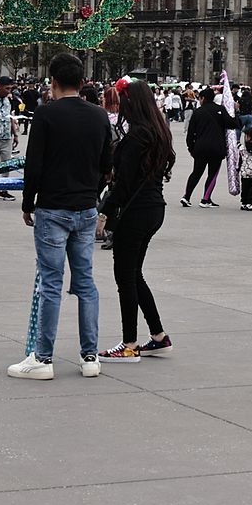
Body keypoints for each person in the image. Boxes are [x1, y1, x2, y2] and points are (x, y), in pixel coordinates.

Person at [8, 52, 114, 381]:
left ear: (52, 81)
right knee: (86, 283)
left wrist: (28, 202)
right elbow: (106, 167)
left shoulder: (45, 114)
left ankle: (43, 358)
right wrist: (91, 194)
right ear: (83, 84)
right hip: (85, 208)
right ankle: (90, 356)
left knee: (51, 284)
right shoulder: (99, 116)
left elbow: (34, 164)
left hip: (53, 208)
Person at [98, 81, 175, 361]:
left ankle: (129, 344)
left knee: (125, 278)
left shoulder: (136, 137)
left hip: (136, 211)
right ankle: (158, 335)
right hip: (155, 208)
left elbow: (123, 185)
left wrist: (104, 214)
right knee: (134, 274)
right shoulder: (159, 132)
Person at [179, 86, 237, 208]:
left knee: (196, 172)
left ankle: (186, 196)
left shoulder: (198, 112)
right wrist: (235, 112)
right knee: (212, 174)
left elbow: (191, 133)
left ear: (203, 98)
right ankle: (206, 199)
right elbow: (232, 124)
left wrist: (191, 148)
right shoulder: (220, 109)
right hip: (217, 148)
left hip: (200, 148)